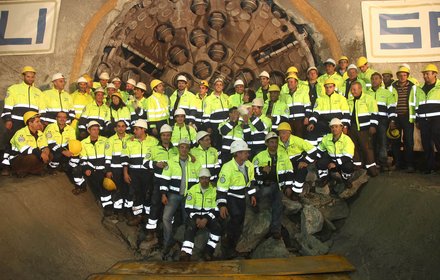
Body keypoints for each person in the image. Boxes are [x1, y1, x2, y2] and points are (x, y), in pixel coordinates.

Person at [160, 138, 201, 255]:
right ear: (178, 148)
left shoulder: (194, 162)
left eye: (186, 147)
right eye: (181, 147)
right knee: (166, 217)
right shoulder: (171, 161)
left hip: (188, 196)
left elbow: (199, 180)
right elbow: (164, 179)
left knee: (187, 220)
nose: (184, 149)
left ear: (189, 149)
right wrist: (163, 194)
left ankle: (184, 245)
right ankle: (167, 243)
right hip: (173, 195)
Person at [216, 140, 256, 258]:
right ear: (238, 153)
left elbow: (251, 182)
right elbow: (221, 188)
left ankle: (232, 245)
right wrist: (222, 205)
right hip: (231, 197)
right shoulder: (227, 168)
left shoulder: (249, 165)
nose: (247, 154)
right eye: (245, 152)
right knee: (236, 219)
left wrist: (252, 195)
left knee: (240, 221)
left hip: (242, 197)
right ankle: (227, 245)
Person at [252, 132, 292, 238]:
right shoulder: (259, 156)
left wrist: (288, 186)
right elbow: (251, 171)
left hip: (278, 185)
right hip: (263, 185)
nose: (274, 144)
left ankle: (276, 230)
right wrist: (261, 169)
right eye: (271, 142)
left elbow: (289, 170)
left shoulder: (283, 155)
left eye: (276, 142)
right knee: (266, 193)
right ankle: (255, 201)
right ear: (267, 143)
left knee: (278, 203)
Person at [143, 124, 178, 239]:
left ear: (171, 136)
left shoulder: (175, 150)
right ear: (160, 136)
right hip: (158, 180)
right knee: (156, 204)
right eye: (164, 135)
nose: (166, 137)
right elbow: (144, 163)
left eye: (168, 135)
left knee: (171, 206)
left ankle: (168, 230)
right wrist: (155, 164)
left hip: (172, 182)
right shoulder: (154, 148)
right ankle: (151, 230)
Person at [122, 119, 159, 226]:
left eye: (137, 129)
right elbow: (125, 159)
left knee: (148, 194)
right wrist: (125, 173)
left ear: (143, 130)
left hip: (148, 172)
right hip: (134, 172)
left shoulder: (153, 141)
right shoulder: (129, 142)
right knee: (137, 194)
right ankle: (137, 216)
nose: (134, 131)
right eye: (134, 129)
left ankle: (147, 216)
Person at [180, 168, 221, 261]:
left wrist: (206, 219)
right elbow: (188, 208)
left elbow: (216, 208)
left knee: (217, 228)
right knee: (190, 228)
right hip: (195, 217)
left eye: (206, 178)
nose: (204, 180)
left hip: (209, 217)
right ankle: (186, 252)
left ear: (209, 179)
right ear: (199, 179)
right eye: (202, 178)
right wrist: (197, 219)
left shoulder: (214, 190)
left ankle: (208, 251)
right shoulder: (193, 190)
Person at [389, 66, 421, 172]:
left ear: (407, 76)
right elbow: (389, 103)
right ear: (397, 76)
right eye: (400, 75)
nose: (402, 77)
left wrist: (417, 118)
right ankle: (398, 163)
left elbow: (416, 103)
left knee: (408, 142)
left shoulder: (413, 87)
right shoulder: (392, 87)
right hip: (396, 118)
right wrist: (392, 119)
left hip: (407, 118)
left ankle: (409, 165)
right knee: (395, 142)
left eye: (404, 75)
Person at [80, 121, 113, 216]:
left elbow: (108, 157)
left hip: (103, 170)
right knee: (97, 188)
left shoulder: (105, 140)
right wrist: (86, 168)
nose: (96, 131)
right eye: (93, 129)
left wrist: (108, 170)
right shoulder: (83, 143)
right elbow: (83, 158)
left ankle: (108, 207)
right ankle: (102, 202)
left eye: (97, 129)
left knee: (105, 188)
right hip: (92, 170)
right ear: (88, 130)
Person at [347, 82, 379, 177]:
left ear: (361, 89)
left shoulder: (368, 99)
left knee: (367, 148)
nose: (353, 92)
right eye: (352, 90)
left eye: (355, 89)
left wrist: (373, 126)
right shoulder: (350, 100)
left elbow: (374, 113)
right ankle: (358, 167)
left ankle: (372, 169)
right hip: (352, 128)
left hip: (364, 129)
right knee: (354, 148)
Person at [366, 72, 397, 171]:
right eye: (372, 79)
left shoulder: (386, 93)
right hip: (370, 122)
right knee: (372, 143)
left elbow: (391, 108)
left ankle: (383, 163)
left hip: (382, 121)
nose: (374, 80)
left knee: (382, 142)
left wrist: (392, 121)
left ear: (380, 81)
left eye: (376, 78)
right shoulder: (366, 94)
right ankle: (373, 163)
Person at [278, 122, 317, 199]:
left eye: (284, 133)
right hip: (284, 164)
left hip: (297, 162)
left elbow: (313, 150)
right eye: (280, 133)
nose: (281, 135)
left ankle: (296, 192)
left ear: (289, 133)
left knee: (302, 170)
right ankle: (286, 188)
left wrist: (305, 161)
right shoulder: (276, 142)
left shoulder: (297, 140)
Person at [307, 78, 350, 146]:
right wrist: (312, 123)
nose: (328, 89)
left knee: (337, 143)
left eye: (330, 87)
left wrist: (344, 126)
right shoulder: (320, 99)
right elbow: (315, 113)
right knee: (320, 139)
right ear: (324, 88)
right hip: (324, 124)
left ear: (334, 87)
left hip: (337, 125)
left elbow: (346, 114)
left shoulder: (341, 98)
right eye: (326, 87)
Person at [316, 118, 355, 191]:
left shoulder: (347, 140)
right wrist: (315, 158)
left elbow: (348, 156)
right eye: (332, 127)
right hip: (331, 160)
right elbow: (320, 149)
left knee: (348, 167)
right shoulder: (327, 138)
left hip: (343, 162)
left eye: (336, 127)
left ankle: (345, 179)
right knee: (320, 163)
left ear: (341, 127)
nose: (334, 129)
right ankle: (324, 178)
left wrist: (335, 163)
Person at [7, 112, 50, 177]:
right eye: (37, 122)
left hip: (32, 155)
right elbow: (24, 149)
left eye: (40, 121)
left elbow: (44, 146)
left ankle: (35, 170)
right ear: (30, 123)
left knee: (50, 154)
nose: (40, 124)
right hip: (17, 158)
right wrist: (41, 153)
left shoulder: (40, 133)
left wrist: (46, 152)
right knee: (32, 157)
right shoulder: (20, 133)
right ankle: (19, 171)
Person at [416, 64, 440, 174]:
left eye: (427, 74)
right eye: (424, 74)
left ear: (435, 74)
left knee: (438, 142)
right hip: (423, 120)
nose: (425, 76)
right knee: (426, 144)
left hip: (437, 119)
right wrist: (417, 119)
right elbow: (416, 105)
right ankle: (430, 166)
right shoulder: (419, 88)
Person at [106, 120, 132, 219]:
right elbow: (108, 157)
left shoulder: (131, 138)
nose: (121, 128)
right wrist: (108, 170)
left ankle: (127, 210)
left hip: (128, 169)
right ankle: (118, 211)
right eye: (119, 126)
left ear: (125, 127)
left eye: (123, 126)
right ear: (115, 128)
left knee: (129, 190)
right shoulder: (110, 140)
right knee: (117, 190)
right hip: (115, 169)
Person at [203, 78, 230, 151]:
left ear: (223, 86)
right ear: (214, 86)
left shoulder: (226, 97)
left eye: (220, 85)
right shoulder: (208, 99)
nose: (219, 86)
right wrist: (208, 127)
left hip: (226, 126)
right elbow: (206, 115)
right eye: (217, 85)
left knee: (225, 146)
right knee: (216, 147)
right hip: (215, 128)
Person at [282, 74, 311, 138]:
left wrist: (307, 117)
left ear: (296, 83)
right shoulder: (285, 96)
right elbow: (283, 109)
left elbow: (308, 106)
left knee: (300, 138)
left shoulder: (302, 93)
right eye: (288, 82)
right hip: (290, 121)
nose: (289, 83)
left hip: (300, 121)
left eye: (291, 82)